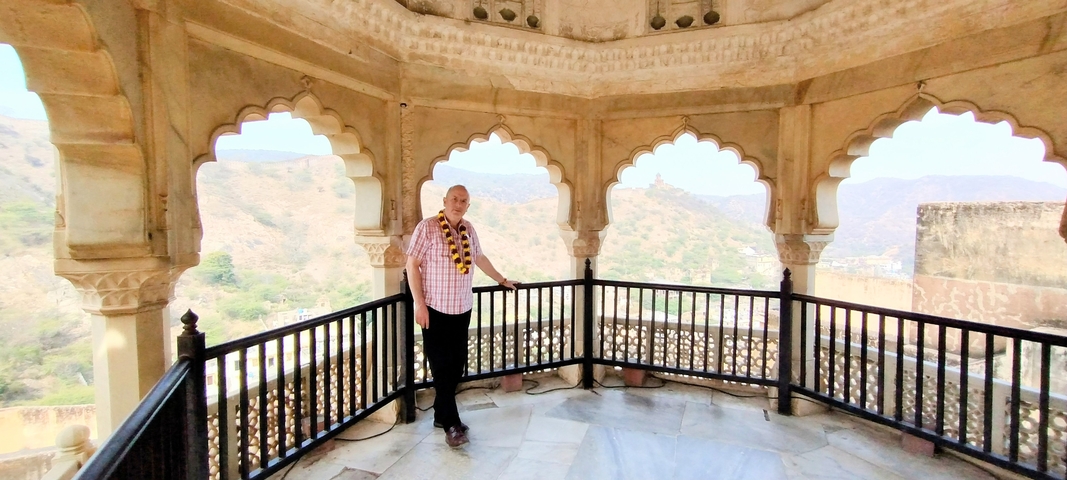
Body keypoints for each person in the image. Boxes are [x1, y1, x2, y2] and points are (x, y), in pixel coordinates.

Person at [405, 185, 518, 447]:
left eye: (463, 201)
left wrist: (501, 279)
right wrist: (418, 304)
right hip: (434, 309)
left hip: (462, 309)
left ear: (468, 205)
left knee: (456, 366)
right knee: (442, 368)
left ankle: (440, 414)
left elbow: (478, 257)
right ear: (445, 201)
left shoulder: (468, 229)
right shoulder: (428, 227)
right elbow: (412, 264)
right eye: (454, 199)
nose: (458, 204)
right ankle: (451, 424)